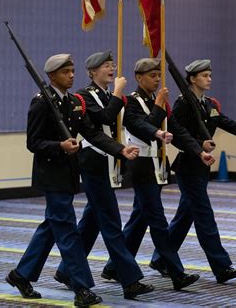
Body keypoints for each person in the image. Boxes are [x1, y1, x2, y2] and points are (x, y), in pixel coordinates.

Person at [5, 54, 140, 306]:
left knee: (50, 227)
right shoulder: (41, 103)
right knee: (67, 230)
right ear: (52, 76)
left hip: (68, 174)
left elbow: (91, 132)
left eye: (72, 70)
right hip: (51, 175)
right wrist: (60, 145)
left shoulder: (73, 102)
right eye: (65, 72)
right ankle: (81, 288)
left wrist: (120, 149)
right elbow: (33, 143)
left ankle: (21, 274)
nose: (71, 75)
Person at [150, 59, 236, 283]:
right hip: (189, 167)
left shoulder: (209, 104)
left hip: (202, 168)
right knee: (205, 217)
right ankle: (221, 266)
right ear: (192, 79)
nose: (209, 79)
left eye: (210, 75)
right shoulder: (184, 103)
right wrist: (198, 146)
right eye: (204, 75)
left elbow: (227, 123)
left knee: (184, 218)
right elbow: (177, 135)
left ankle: (160, 259)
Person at [101, 58, 215, 290]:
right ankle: (176, 272)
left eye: (157, 76)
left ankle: (114, 267)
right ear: (139, 78)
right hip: (141, 166)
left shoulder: (157, 100)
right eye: (152, 76)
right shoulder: (130, 101)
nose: (156, 80)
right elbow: (141, 128)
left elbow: (178, 130)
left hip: (157, 163)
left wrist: (198, 151)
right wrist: (159, 110)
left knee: (140, 218)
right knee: (158, 220)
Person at [52, 51, 155, 299]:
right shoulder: (85, 96)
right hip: (94, 162)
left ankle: (66, 271)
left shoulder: (109, 95)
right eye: (106, 65)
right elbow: (105, 118)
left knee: (93, 220)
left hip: (111, 159)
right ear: (93, 72)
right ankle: (129, 280)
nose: (111, 68)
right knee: (111, 221)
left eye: (113, 64)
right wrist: (119, 93)